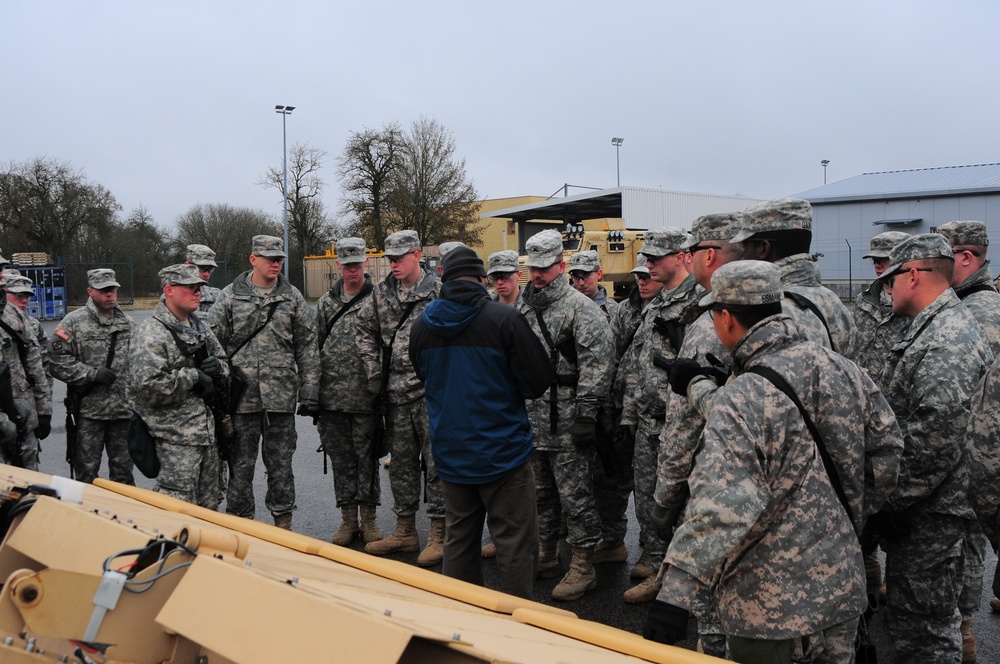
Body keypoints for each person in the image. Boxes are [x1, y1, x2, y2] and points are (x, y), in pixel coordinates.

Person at [645, 260, 903, 664]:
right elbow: (887, 447)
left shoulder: (742, 396)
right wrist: (854, 509)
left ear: (725, 316)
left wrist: (675, 593)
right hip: (841, 586)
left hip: (769, 606)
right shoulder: (842, 368)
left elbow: (723, 504)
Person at [873, 233, 991, 662]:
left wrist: (880, 498)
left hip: (934, 514)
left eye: (891, 280)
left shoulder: (946, 338)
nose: (887, 291)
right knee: (916, 624)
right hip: (927, 509)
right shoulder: (934, 327)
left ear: (915, 274)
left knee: (926, 634)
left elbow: (932, 443)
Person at [409, 246, 554, 598]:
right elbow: (537, 381)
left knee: (459, 539)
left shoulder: (421, 326)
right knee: (515, 541)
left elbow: (426, 377)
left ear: (444, 277)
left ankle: (464, 623)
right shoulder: (503, 319)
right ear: (480, 278)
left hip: (451, 452)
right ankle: (516, 624)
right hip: (503, 453)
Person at [639, 213, 746, 655]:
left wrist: (665, 495)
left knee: (715, 611)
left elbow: (684, 425)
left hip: (716, 476)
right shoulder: (810, 307)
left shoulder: (712, 315)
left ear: (704, 254)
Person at [516, 229, 613, 601]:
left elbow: (598, 365)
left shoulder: (580, 308)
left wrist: (587, 415)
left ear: (561, 265)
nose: (537, 275)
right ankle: (547, 552)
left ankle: (584, 564)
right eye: (533, 268)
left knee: (576, 496)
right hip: (532, 416)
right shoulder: (524, 306)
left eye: (545, 268)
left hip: (569, 418)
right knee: (539, 493)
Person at [207, 235, 320, 530]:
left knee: (281, 467)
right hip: (241, 400)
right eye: (270, 258)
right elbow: (213, 346)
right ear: (253, 259)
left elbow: (307, 345)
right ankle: (241, 528)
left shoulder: (291, 296)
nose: (276, 263)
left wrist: (309, 390)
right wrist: (220, 392)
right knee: (240, 467)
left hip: (280, 398)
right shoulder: (231, 296)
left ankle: (283, 527)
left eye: (280, 258)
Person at [356, 230, 446, 566]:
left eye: (399, 258)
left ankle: (440, 532)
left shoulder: (439, 291)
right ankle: (405, 530)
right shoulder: (381, 294)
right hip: (394, 393)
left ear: (417, 254)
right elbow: (363, 329)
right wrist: (373, 371)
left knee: (437, 464)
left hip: (431, 394)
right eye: (389, 259)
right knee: (402, 465)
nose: (393, 264)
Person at [617, 228, 700, 580]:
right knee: (648, 502)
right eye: (646, 258)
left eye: (656, 258)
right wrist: (628, 418)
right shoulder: (658, 305)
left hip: (681, 426)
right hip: (648, 424)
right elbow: (638, 363)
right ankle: (656, 567)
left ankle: (684, 579)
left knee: (682, 505)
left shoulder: (698, 304)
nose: (648, 264)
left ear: (682, 257)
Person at [129, 264, 229, 507]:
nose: (198, 293)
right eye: (190, 288)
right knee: (176, 509)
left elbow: (224, 363)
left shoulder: (200, 327)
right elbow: (148, 388)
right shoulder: (152, 333)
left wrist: (218, 368)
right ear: (169, 290)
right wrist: (192, 377)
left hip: (207, 435)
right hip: (174, 441)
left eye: (199, 288)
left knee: (210, 508)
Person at [852, 230, 911, 603]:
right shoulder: (862, 302)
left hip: (900, 420)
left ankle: (897, 576)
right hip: (863, 420)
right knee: (866, 497)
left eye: (884, 259)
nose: (877, 265)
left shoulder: (912, 304)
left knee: (901, 506)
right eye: (874, 259)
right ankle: (869, 562)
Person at [316, 237, 381, 546]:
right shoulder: (326, 303)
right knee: (341, 460)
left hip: (366, 397)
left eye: (357, 264)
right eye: (347, 265)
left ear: (365, 263)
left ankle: (369, 519)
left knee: (367, 459)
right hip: (332, 399)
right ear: (339, 265)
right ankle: (347, 519)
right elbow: (312, 348)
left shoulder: (379, 299)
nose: (352, 270)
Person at [733, 197, 857, 358]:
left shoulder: (769, 310)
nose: (742, 257)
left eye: (744, 248)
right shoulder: (834, 303)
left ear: (764, 248)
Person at [47, 269, 134, 484]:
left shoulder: (128, 324)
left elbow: (141, 363)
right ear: (90, 291)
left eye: (113, 289)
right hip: (89, 414)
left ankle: (122, 517)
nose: (110, 294)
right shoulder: (73, 322)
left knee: (123, 474)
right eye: (104, 290)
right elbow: (56, 361)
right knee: (86, 474)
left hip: (123, 413)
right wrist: (91, 374)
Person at [0, 255, 51, 470]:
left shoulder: (13, 316)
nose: (1, 273)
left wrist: (43, 411)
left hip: (22, 420)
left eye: (2, 268)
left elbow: (36, 367)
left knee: (29, 490)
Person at [4, 274, 50, 378]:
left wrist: (44, 390)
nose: (24, 300)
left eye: (27, 297)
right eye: (19, 296)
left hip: (27, 391)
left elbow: (45, 362)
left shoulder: (33, 324)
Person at [567, 250, 618, 321]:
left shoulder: (614, 310)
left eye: (586, 275)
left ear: (599, 274)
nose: (581, 283)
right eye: (576, 277)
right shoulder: (563, 308)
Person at [186, 244, 223, 314]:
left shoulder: (217, 295)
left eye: (210, 269)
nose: (206, 274)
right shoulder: (173, 297)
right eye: (201, 268)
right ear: (187, 265)